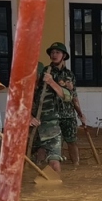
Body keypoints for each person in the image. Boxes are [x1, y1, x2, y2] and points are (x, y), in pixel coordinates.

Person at [31, 42, 85, 172]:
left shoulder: (69, 75)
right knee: (44, 144)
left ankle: (76, 167)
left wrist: (80, 113)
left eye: (57, 52)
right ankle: (38, 167)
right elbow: (36, 93)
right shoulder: (45, 72)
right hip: (50, 114)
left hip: (68, 114)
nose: (54, 55)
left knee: (72, 141)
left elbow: (73, 96)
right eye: (52, 53)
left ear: (64, 56)